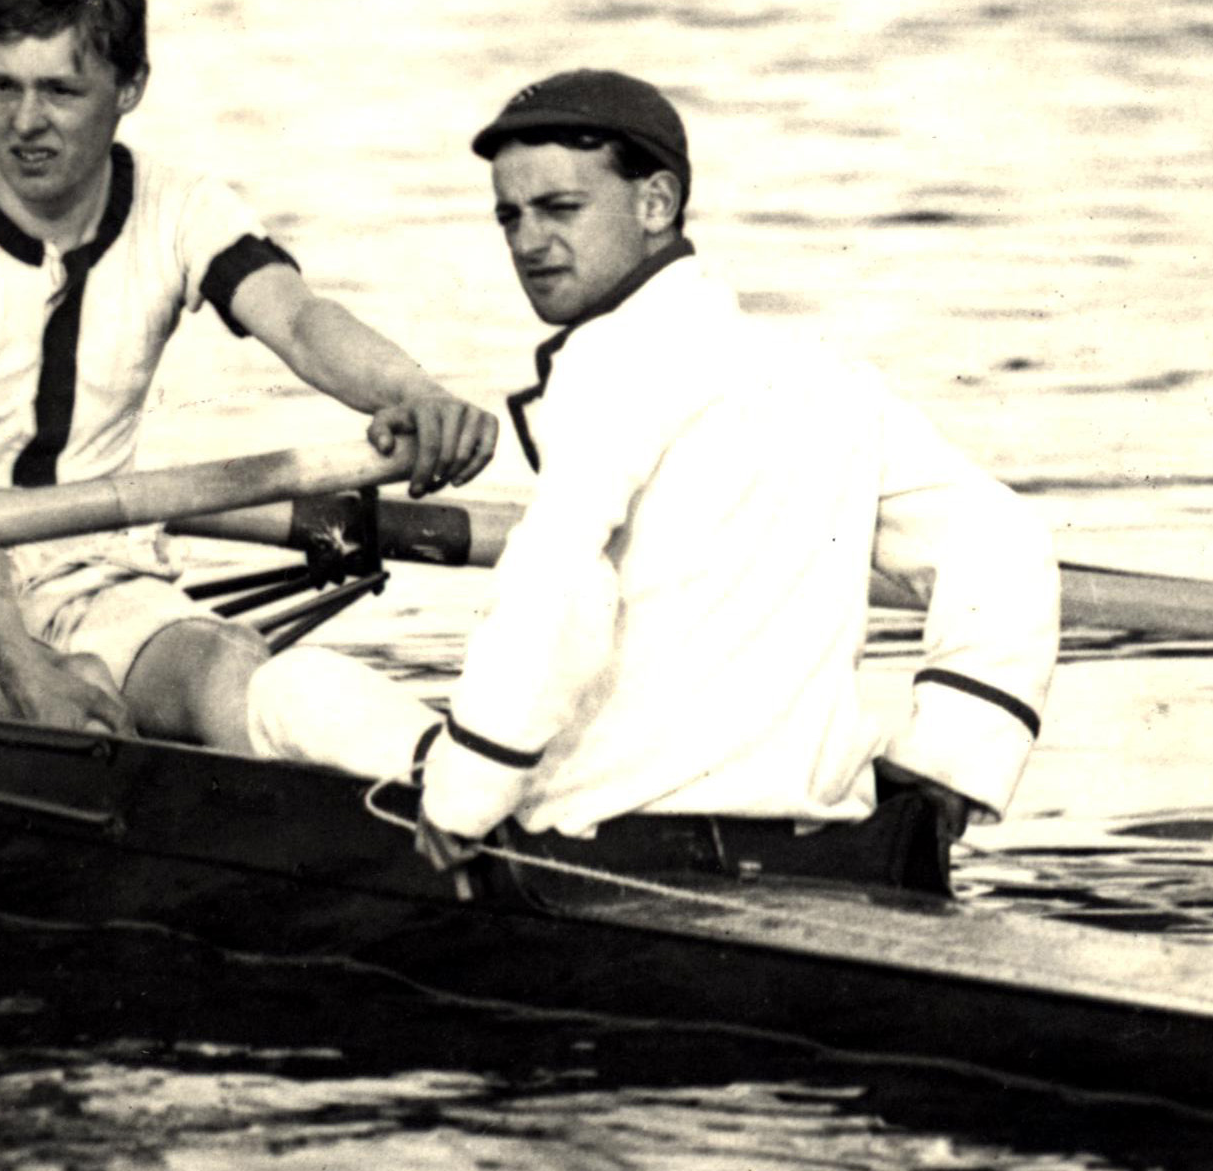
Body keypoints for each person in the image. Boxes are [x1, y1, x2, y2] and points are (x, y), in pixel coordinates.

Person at [0, 0, 493, 772]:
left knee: (229, 672)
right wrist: (28, 677)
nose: (24, 122)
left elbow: (301, 322)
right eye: (0, 86)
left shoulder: (181, 205)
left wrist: (413, 391)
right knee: (75, 713)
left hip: (88, 567)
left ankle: (435, 793)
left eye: (59, 91)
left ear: (130, 87)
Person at [409, 69, 1056, 886]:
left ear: (656, 203)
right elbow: (1002, 542)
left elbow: (558, 587)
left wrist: (464, 794)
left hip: (622, 845)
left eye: (560, 208)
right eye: (511, 215)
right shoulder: (822, 373)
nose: (528, 243)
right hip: (830, 850)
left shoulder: (609, 367)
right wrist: (951, 762)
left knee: (294, 695)